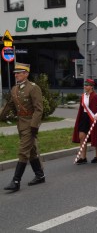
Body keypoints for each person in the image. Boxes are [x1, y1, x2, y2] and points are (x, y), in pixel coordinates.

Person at [1, 63, 45, 192]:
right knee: (31, 151)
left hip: (30, 124)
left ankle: (16, 181)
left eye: (19, 73)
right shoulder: (15, 89)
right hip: (21, 124)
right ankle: (40, 175)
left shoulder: (33, 88)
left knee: (23, 151)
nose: (16, 75)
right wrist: (1, 116)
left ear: (26, 74)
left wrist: (34, 125)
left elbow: (39, 109)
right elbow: (10, 105)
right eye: (15, 73)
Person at [72, 78, 97, 165]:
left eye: (87, 85)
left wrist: (96, 117)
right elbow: (82, 109)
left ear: (92, 87)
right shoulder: (83, 96)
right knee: (82, 136)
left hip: (93, 117)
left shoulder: (95, 96)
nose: (85, 86)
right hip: (84, 117)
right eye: (85, 85)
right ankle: (83, 157)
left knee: (95, 136)